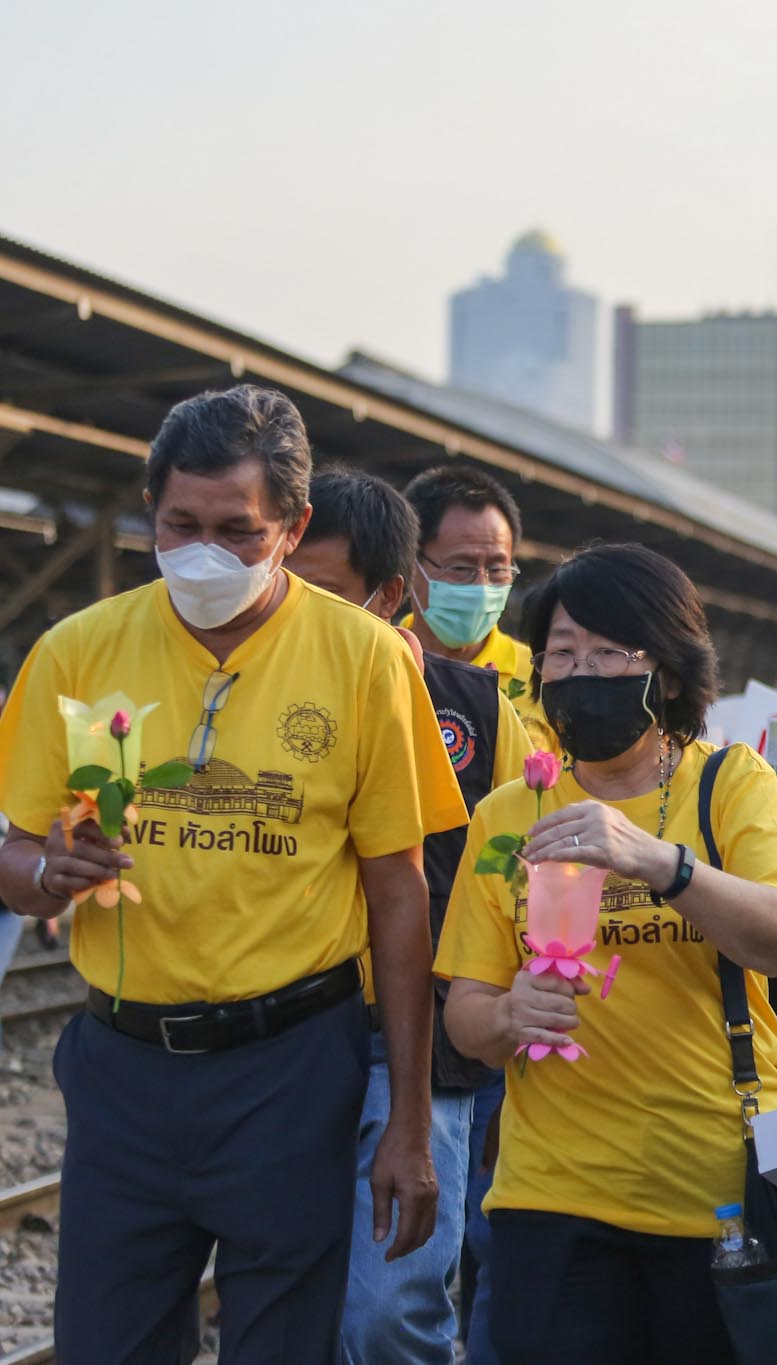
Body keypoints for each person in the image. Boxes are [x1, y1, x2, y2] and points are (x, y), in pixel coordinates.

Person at [0, 386, 465, 1360]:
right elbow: (10, 854)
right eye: (180, 524)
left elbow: (398, 891)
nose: (201, 552)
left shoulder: (366, 662)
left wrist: (410, 1124)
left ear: (292, 528)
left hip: (292, 1068)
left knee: (279, 1345)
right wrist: (47, 872)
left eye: (235, 531)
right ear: (149, 512)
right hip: (121, 1066)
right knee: (105, 1344)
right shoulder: (77, 653)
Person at [438, 543, 777, 1364]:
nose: (581, 672)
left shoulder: (729, 784)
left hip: (714, 1189)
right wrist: (508, 1012)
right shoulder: (510, 812)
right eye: (563, 653)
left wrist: (664, 863)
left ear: (670, 674)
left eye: (610, 652)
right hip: (552, 1194)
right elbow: (466, 1015)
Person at [289, 468, 536, 1365]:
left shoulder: (478, 708)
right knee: (288, 1296)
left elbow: (515, 863)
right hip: (287, 1032)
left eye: (321, 591)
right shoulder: (239, 690)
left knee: (393, 1310)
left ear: (389, 593)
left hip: (421, 1045)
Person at [402, 465, 553, 752]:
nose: (482, 586)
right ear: (410, 564)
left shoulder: (544, 677)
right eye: (461, 567)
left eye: (497, 568)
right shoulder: (380, 663)